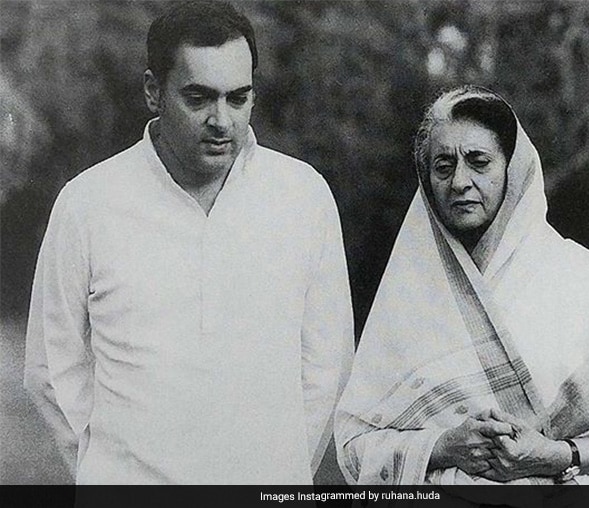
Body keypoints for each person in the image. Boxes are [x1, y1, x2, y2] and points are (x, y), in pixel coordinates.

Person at [24, 1, 353, 485]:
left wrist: (274, 474)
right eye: (198, 98)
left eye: (238, 98)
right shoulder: (87, 203)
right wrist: (108, 472)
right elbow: (51, 368)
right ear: (154, 91)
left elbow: (327, 365)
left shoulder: (303, 197)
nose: (221, 121)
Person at [334, 85, 589, 495]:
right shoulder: (409, 296)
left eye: (478, 162)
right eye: (443, 166)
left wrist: (556, 454)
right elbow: (353, 445)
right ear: (427, 180)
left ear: (513, 168)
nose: (459, 182)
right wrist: (443, 446)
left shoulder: (575, 276)